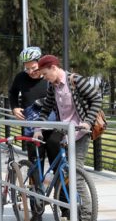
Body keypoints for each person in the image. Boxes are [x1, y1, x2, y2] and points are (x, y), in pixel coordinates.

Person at [33, 55, 102, 221]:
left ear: (53, 68)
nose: (44, 78)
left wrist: (87, 121)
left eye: (45, 73)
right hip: (65, 133)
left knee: (76, 175)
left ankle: (86, 216)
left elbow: (96, 99)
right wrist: (37, 128)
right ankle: (66, 209)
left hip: (80, 133)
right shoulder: (52, 87)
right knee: (63, 171)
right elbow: (46, 108)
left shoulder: (76, 81)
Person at [8, 47, 60, 221]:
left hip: (52, 127)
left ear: (41, 64)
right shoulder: (21, 78)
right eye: (27, 68)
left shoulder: (48, 77)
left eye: (34, 68)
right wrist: (14, 107)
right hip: (31, 127)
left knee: (58, 166)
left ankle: (66, 209)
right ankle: (36, 212)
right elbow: (12, 92)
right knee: (34, 168)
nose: (30, 72)